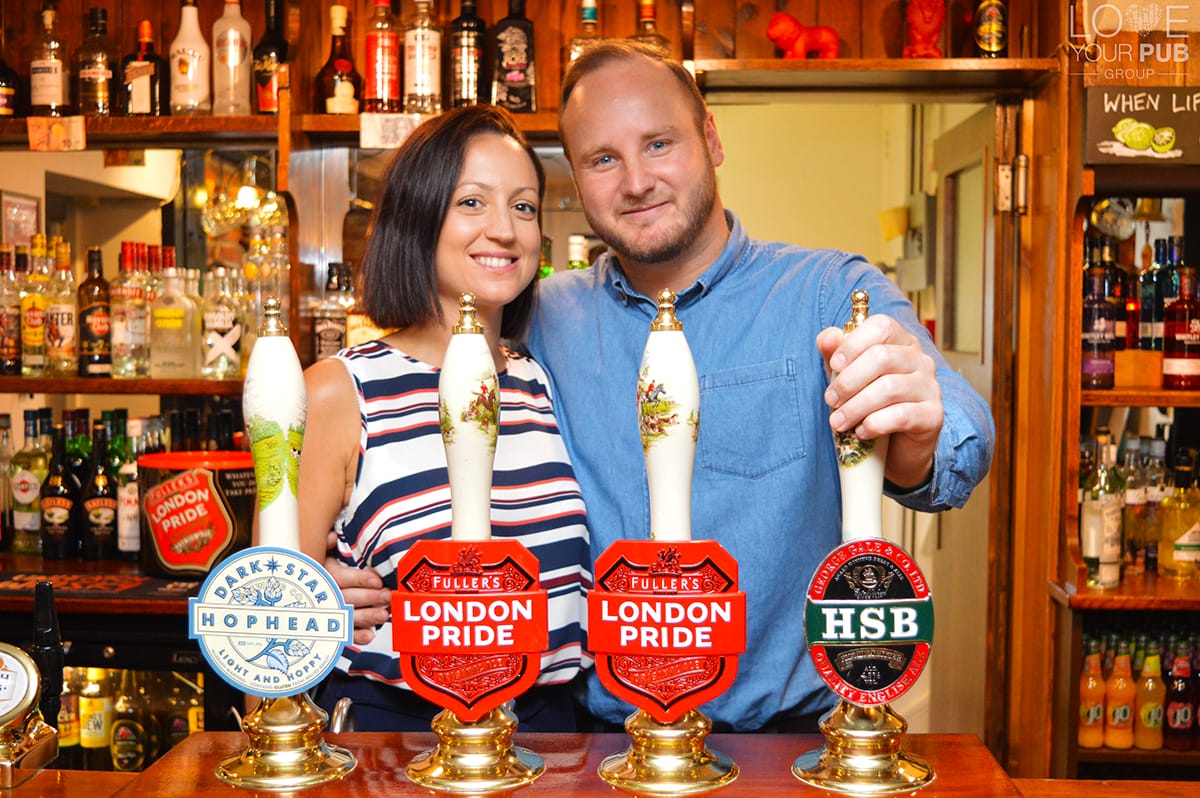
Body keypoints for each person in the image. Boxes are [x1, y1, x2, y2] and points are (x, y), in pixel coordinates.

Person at [332, 42, 995, 733]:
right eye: (603, 159)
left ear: (711, 138)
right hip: (596, 751)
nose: (636, 181)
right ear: (577, 181)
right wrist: (334, 558)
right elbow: (415, 413)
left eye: (658, 143)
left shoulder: (828, 293)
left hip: (785, 748)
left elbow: (961, 440)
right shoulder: (539, 314)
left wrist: (918, 432)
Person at [299, 105, 591, 732]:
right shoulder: (340, 391)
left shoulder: (541, 380)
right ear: (419, 217)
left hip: (555, 733)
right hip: (397, 734)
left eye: (523, 206)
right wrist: (314, 598)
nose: (505, 231)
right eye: (471, 203)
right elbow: (269, 610)